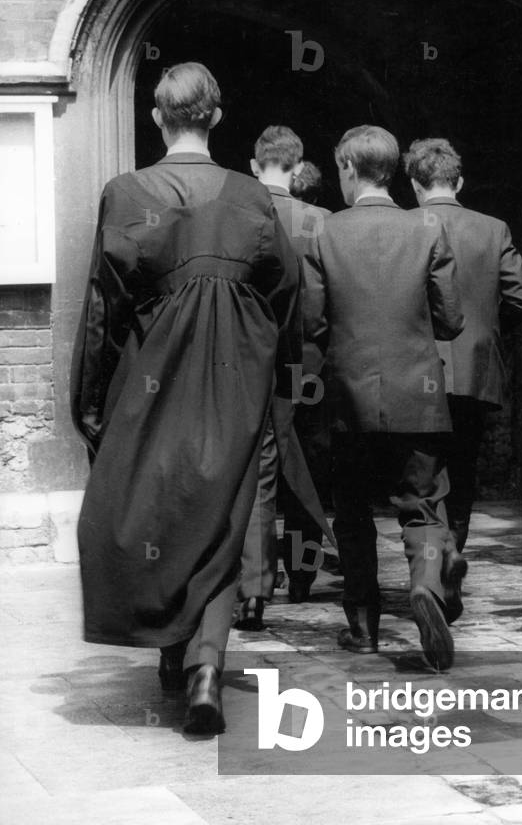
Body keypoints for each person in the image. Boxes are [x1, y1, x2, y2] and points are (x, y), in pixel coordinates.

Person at [70, 63, 301, 735]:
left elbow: (103, 305)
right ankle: (204, 665)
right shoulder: (250, 195)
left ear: (156, 118)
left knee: (160, 508)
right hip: (234, 378)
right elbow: (286, 289)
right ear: (216, 117)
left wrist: (88, 398)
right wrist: (271, 369)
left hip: (151, 375)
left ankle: (176, 651)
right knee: (222, 515)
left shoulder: (125, 192)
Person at [303, 125, 464, 670]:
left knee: (352, 511)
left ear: (349, 168)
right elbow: (451, 319)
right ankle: (426, 585)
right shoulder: (428, 226)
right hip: (418, 392)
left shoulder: (324, 231)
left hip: (347, 397)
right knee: (423, 504)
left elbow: (311, 322)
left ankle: (364, 627)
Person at [404, 137, 522, 554]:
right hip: (476, 364)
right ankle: (454, 548)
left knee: (422, 468)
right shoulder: (493, 229)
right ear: (459, 182)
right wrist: (488, 330)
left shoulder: (403, 226)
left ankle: (434, 550)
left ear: (415, 185)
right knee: (464, 462)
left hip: (417, 365)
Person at [236, 126, 333, 630]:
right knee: (309, 467)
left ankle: (255, 586)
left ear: (255, 166)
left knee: (259, 473)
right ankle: (302, 574)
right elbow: (324, 300)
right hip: (310, 362)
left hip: (254, 362)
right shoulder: (320, 220)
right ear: (298, 169)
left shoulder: (238, 214)